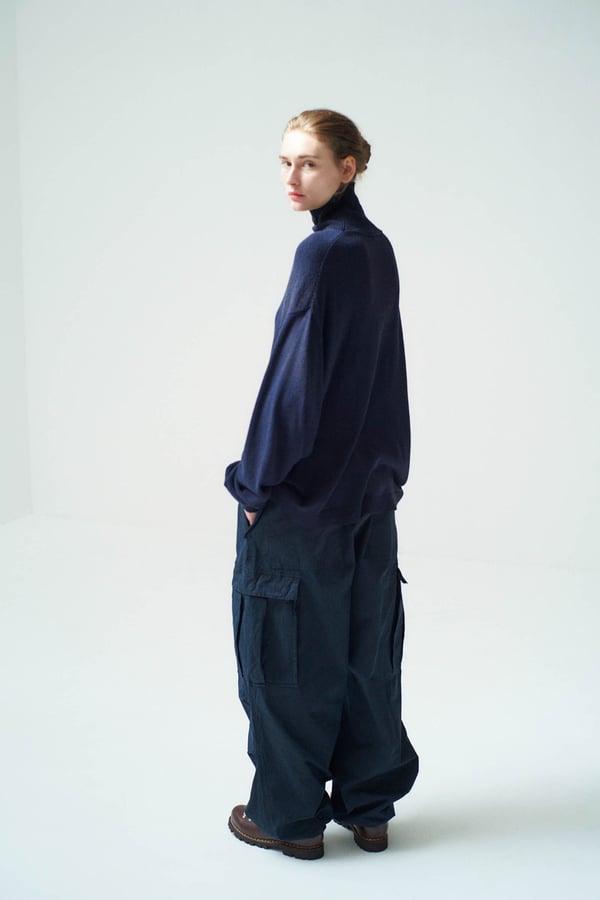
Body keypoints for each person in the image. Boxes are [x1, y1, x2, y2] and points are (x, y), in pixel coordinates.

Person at [224, 109, 418, 860]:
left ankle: (290, 819)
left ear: (348, 167)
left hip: (304, 504)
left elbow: (294, 384)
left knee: (284, 664)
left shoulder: (322, 254)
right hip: (369, 499)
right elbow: (379, 377)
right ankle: (370, 811)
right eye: (284, 162)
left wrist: (254, 486)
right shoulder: (376, 248)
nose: (292, 177)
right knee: (367, 659)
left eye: (308, 163)